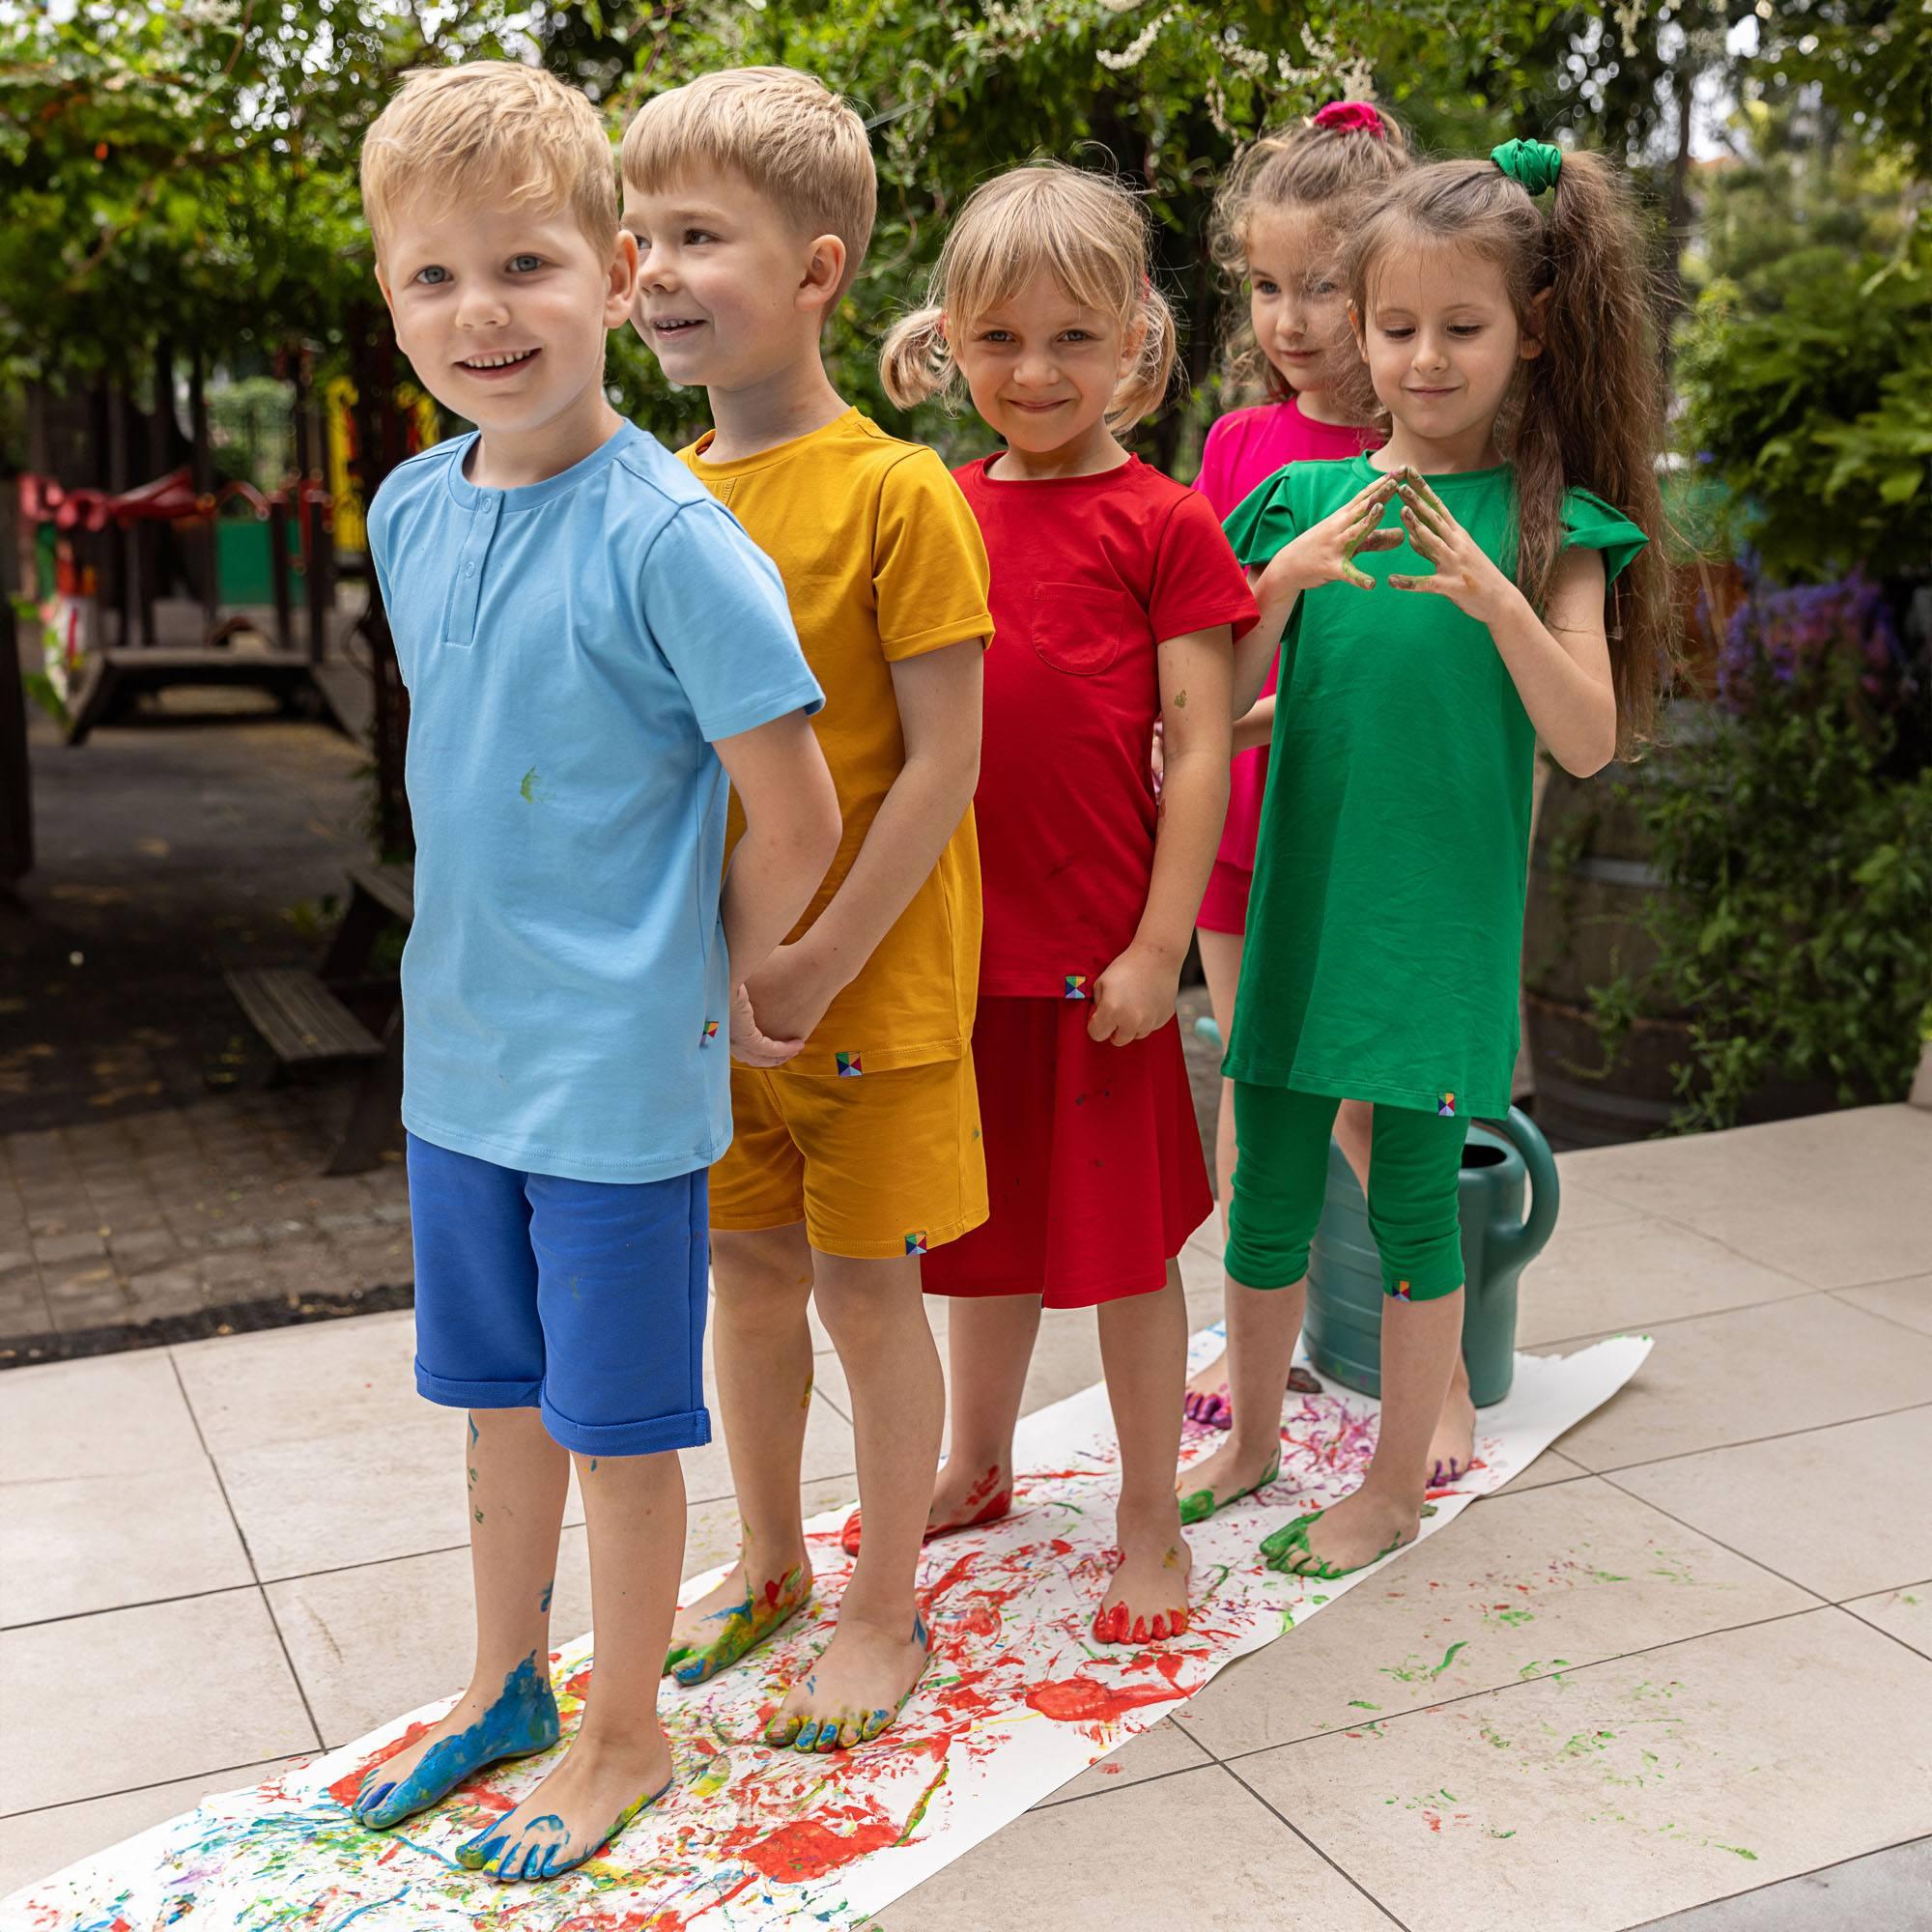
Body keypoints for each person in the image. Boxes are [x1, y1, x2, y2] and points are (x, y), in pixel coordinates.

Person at [351, 64, 838, 1879]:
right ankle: (505, 1687)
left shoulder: (674, 540)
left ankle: (627, 1733)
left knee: (616, 1426)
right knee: (491, 1404)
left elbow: (793, 814)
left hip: (622, 1082)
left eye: (528, 265)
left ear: (619, 273)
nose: (482, 316)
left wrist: (724, 984)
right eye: (433, 280)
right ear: (392, 297)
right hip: (457, 1059)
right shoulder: (411, 509)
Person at [1222, 137, 1668, 1581]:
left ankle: (1394, 1484)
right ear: (1357, 331)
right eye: (1396, 328)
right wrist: (1280, 589)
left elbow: (1588, 736)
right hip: (1304, 906)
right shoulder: (1298, 509)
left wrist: (1496, 597)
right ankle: (1247, 1443)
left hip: (1429, 924)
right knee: (1273, 1187)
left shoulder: (1554, 534)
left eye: (1460, 329)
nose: (1423, 358)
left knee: (1411, 1196)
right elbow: (1211, 706)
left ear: (1528, 333)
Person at [620, 68, 994, 1750]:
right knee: (748, 1281)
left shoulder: (897, 492)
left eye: (700, 236)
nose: (654, 273)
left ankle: (884, 1604)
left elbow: (942, 765)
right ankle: (769, 1559)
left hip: (872, 994)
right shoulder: (658, 493)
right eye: (639, 241)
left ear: (820, 266)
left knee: (865, 1297)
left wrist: (822, 952)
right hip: (716, 1001)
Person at [871, 163, 1258, 1644]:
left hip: (1104, 958)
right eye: (999, 339)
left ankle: (1150, 1514)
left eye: (1073, 340)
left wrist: (1165, 947)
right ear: (950, 341)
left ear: (1136, 343)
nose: (1035, 373)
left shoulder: (1164, 523)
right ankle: (978, 1458)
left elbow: (1205, 748)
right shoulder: (938, 510)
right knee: (979, 1237)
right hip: (959, 954)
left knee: (1125, 1255)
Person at [1178, 103, 1412, 1498]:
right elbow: (1213, 643)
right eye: (1267, 287)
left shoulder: (1429, 456)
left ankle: (1393, 1360)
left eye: (1323, 285)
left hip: (1357, 831)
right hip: (1238, 822)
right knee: (1253, 1090)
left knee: (1374, 1108)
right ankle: (1244, 1343)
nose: (1291, 317)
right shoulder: (1234, 443)